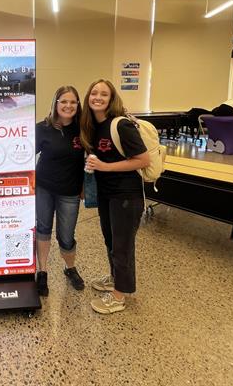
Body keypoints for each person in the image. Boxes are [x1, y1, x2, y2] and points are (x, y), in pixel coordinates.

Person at [81, 79, 150, 314]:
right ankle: (115, 278)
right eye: (94, 93)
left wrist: (104, 167)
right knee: (111, 241)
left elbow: (143, 160)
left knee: (122, 246)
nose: (97, 97)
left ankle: (119, 296)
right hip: (107, 194)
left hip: (126, 196)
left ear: (111, 99)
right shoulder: (94, 126)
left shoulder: (121, 125)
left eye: (104, 94)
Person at [35, 86, 85, 296]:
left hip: (70, 192)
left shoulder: (83, 130)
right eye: (63, 101)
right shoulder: (43, 128)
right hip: (44, 188)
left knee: (66, 236)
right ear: (56, 104)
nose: (68, 106)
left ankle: (69, 268)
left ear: (78, 105)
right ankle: (42, 272)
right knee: (44, 229)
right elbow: (23, 153)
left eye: (73, 102)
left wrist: (83, 188)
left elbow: (89, 161)